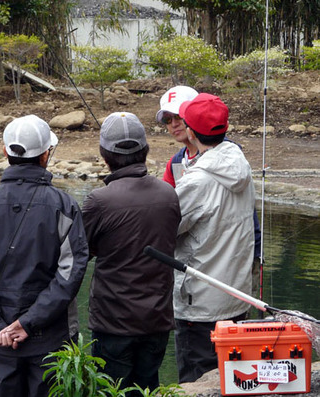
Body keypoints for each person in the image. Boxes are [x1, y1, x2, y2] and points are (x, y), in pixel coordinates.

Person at [0, 114, 89, 397]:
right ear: (45, 155)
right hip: (53, 338)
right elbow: (70, 274)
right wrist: (28, 323)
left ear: (5, 152)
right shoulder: (64, 205)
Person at [82, 112, 181, 393]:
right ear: (145, 150)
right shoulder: (168, 194)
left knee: (110, 389)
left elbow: (80, 252)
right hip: (158, 320)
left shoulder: (98, 201)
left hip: (113, 324)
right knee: (147, 386)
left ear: (104, 155)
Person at [172, 94, 256, 383]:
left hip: (200, 308)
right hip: (236, 300)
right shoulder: (242, 167)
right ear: (225, 127)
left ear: (191, 133)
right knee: (232, 381)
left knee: (197, 381)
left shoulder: (197, 181)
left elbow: (167, 228)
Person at [157, 86, 262, 300]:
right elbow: (165, 205)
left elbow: (168, 221)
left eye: (178, 116)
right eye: (167, 120)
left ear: (192, 122)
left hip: (230, 263)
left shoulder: (231, 158)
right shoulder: (176, 162)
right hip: (197, 267)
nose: (174, 124)